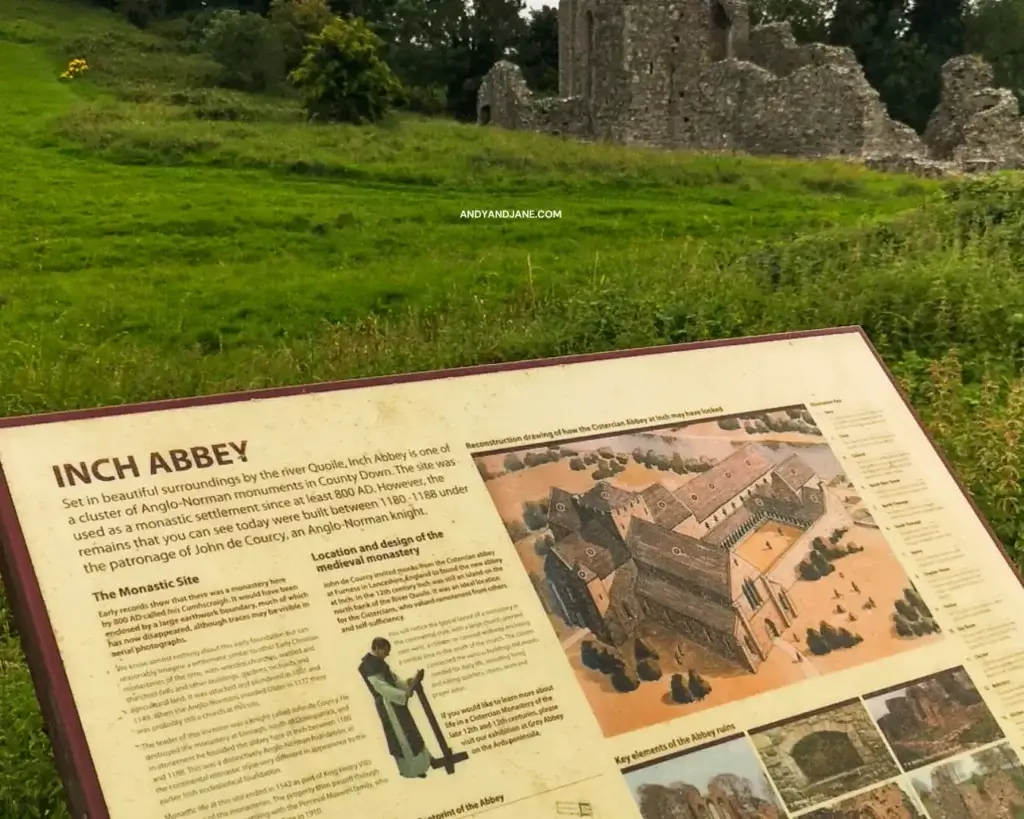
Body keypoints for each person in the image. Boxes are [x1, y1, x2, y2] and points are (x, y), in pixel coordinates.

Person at [358, 637, 433, 779]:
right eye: (385, 651)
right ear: (377, 649)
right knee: (402, 738)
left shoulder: (379, 663)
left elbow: (393, 680)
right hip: (388, 705)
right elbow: (382, 687)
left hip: (395, 702)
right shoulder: (367, 666)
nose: (387, 655)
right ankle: (413, 770)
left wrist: (408, 684)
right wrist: (404, 694)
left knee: (410, 733)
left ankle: (422, 763)